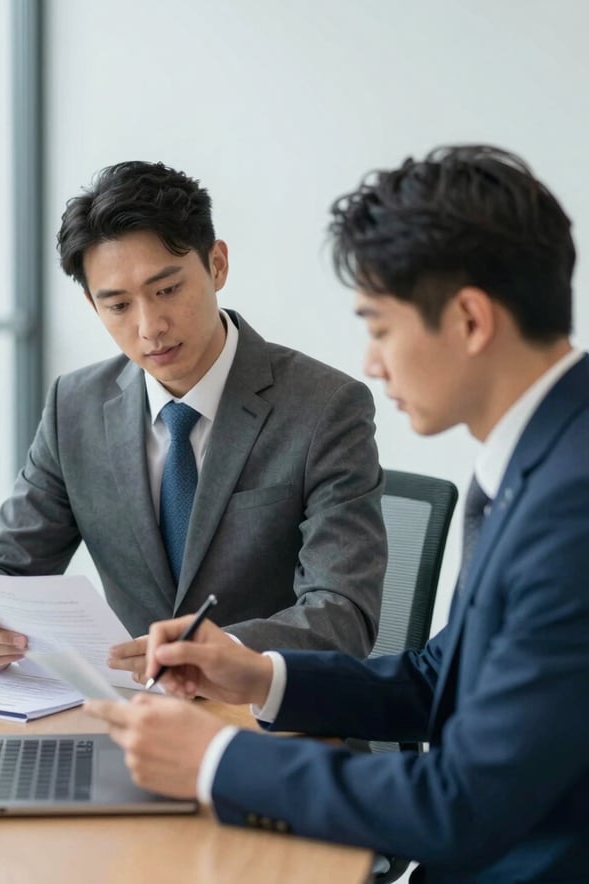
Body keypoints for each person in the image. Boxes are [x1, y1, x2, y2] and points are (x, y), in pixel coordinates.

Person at [86, 145, 589, 883]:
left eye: (380, 327)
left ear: (471, 320)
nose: (373, 361)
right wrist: (259, 676)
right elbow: (435, 676)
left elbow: (461, 803)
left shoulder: (572, 507)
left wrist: (216, 760)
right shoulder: (548, 457)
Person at [0, 160, 386, 673]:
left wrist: (212, 656)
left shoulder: (325, 408)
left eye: (167, 290)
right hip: (128, 719)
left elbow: (343, 613)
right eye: (118, 305)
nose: (150, 326)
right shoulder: (75, 406)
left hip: (270, 725)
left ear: (217, 265)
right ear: (92, 304)